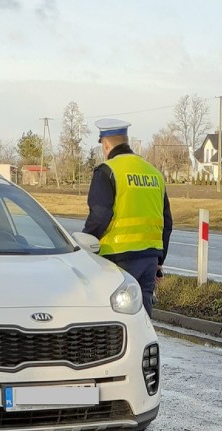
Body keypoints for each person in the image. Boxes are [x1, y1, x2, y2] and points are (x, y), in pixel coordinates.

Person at [83, 118, 173, 316]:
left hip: (116, 260)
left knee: (114, 317)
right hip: (149, 258)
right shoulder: (154, 173)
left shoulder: (107, 171)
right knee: (143, 315)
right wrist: (159, 259)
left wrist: (84, 242)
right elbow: (167, 222)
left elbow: (99, 215)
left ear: (105, 145)